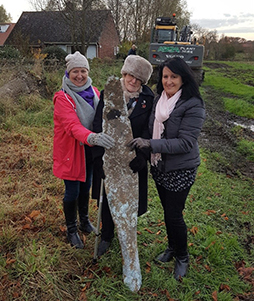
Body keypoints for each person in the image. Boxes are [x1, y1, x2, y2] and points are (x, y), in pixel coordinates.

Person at [127, 57, 205, 280]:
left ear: (183, 78)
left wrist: (150, 144)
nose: (169, 81)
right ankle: (172, 247)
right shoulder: (159, 98)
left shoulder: (193, 104)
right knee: (168, 212)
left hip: (181, 169)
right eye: (165, 76)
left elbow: (185, 143)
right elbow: (151, 128)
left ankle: (182, 256)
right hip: (159, 165)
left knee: (174, 214)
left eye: (174, 76)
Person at [92, 55, 154, 256]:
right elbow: (97, 125)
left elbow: (148, 130)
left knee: (130, 199)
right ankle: (107, 235)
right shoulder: (110, 94)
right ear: (124, 73)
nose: (133, 81)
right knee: (109, 196)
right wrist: (99, 158)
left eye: (138, 78)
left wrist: (142, 156)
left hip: (133, 159)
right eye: (130, 75)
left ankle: (127, 234)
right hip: (109, 157)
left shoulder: (148, 99)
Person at [53, 51, 115, 249]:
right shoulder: (63, 98)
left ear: (88, 72)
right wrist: (93, 137)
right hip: (72, 151)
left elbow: (104, 115)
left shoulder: (95, 93)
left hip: (90, 151)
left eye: (83, 71)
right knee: (72, 191)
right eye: (75, 72)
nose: (79, 76)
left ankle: (84, 221)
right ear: (68, 73)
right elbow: (71, 126)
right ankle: (72, 229)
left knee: (86, 186)